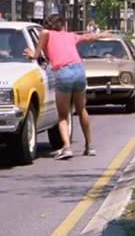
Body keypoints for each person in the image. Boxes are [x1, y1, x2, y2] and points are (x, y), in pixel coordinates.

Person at [24, 14, 113, 160]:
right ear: (63, 25)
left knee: (63, 116)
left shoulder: (46, 33)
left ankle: (66, 147)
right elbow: (88, 37)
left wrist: (33, 54)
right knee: (81, 109)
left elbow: (37, 53)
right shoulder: (70, 36)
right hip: (79, 70)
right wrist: (102, 34)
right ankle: (89, 146)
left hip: (63, 72)